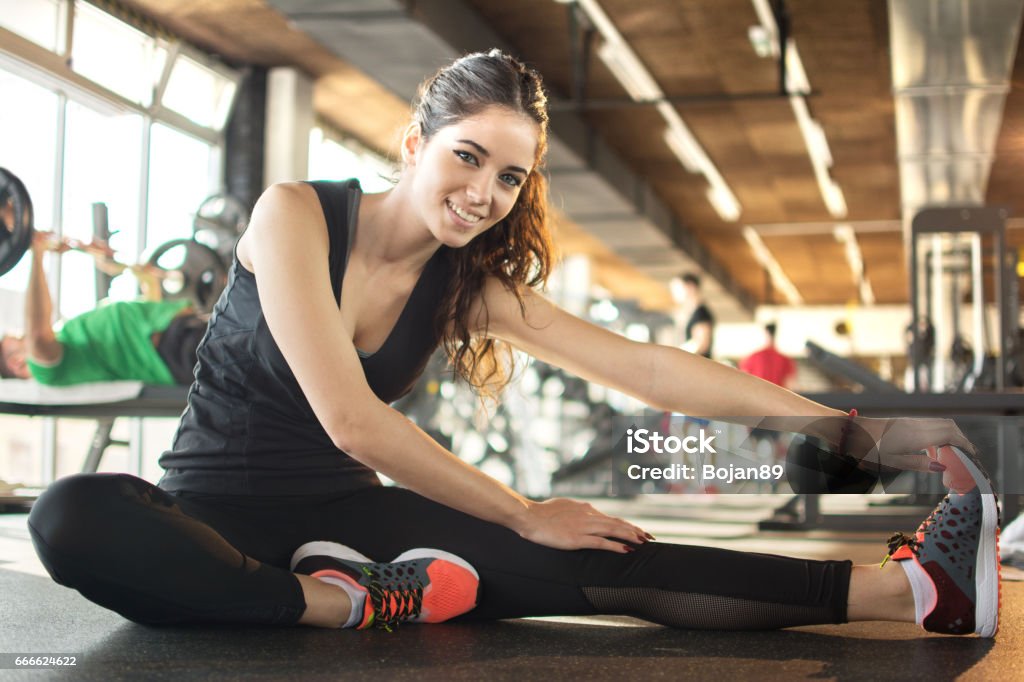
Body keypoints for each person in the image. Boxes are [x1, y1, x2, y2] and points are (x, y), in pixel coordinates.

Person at [25, 50, 998, 636]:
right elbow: (352, 420)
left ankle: (911, 591)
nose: (485, 193)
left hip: (346, 521)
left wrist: (838, 423)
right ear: (413, 145)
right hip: (207, 522)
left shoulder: (466, 285)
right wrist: (523, 509)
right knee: (70, 517)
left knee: (613, 557)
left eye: (511, 177)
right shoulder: (295, 217)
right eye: (467, 157)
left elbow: (647, 366)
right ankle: (340, 605)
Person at [0, 228, 206, 386]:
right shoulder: (44, 371)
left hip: (181, 330)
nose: (23, 334)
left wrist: (143, 278)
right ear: (18, 362)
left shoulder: (67, 335)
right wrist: (37, 253)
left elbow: (146, 313)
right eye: (19, 339)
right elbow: (37, 333)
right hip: (175, 347)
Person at [740, 323, 796, 388]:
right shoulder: (785, 359)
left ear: (766, 333)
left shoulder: (752, 357)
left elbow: (745, 379)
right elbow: (789, 384)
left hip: (757, 394)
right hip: (776, 396)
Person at [675, 272, 714, 358]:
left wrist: (677, 355)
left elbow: (702, 344)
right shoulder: (690, 313)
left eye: (678, 288)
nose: (675, 293)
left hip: (699, 365)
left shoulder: (701, 313)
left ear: (690, 287)